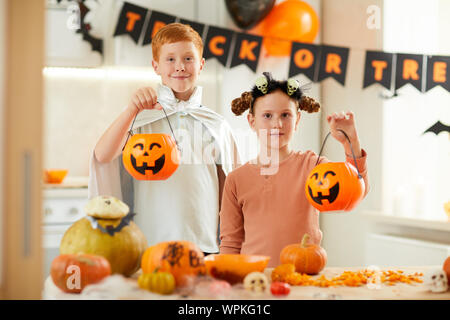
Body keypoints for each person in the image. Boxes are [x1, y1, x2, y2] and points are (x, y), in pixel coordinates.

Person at [88, 23, 240, 255]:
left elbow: (230, 189)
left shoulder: (216, 125)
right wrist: (131, 111)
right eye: (170, 59)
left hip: (204, 243)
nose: (180, 66)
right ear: (155, 66)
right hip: (150, 241)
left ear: (201, 64)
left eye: (188, 58)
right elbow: (103, 156)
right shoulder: (140, 118)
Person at [219, 72, 369, 267]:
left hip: (304, 276)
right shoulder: (236, 179)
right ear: (252, 121)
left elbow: (356, 189)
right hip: (255, 279)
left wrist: (351, 143)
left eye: (285, 115)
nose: (277, 124)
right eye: (267, 115)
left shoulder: (313, 166)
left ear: (297, 120)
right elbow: (230, 243)